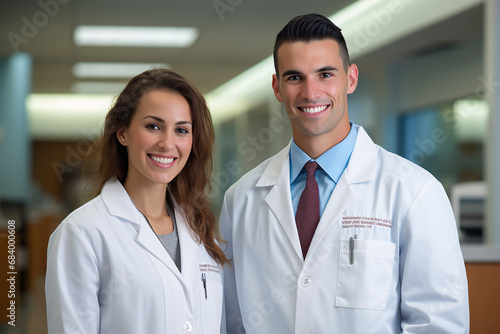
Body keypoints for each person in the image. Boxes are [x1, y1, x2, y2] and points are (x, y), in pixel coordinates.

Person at [220, 13, 469, 333]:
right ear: (277, 87)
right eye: (294, 77)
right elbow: (231, 319)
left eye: (325, 74)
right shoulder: (240, 199)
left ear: (350, 79)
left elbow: (438, 324)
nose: (311, 93)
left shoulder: (414, 192)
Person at [46, 68, 229, 333]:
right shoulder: (82, 232)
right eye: (153, 126)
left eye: (181, 130)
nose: (167, 143)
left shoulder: (200, 227)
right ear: (122, 133)